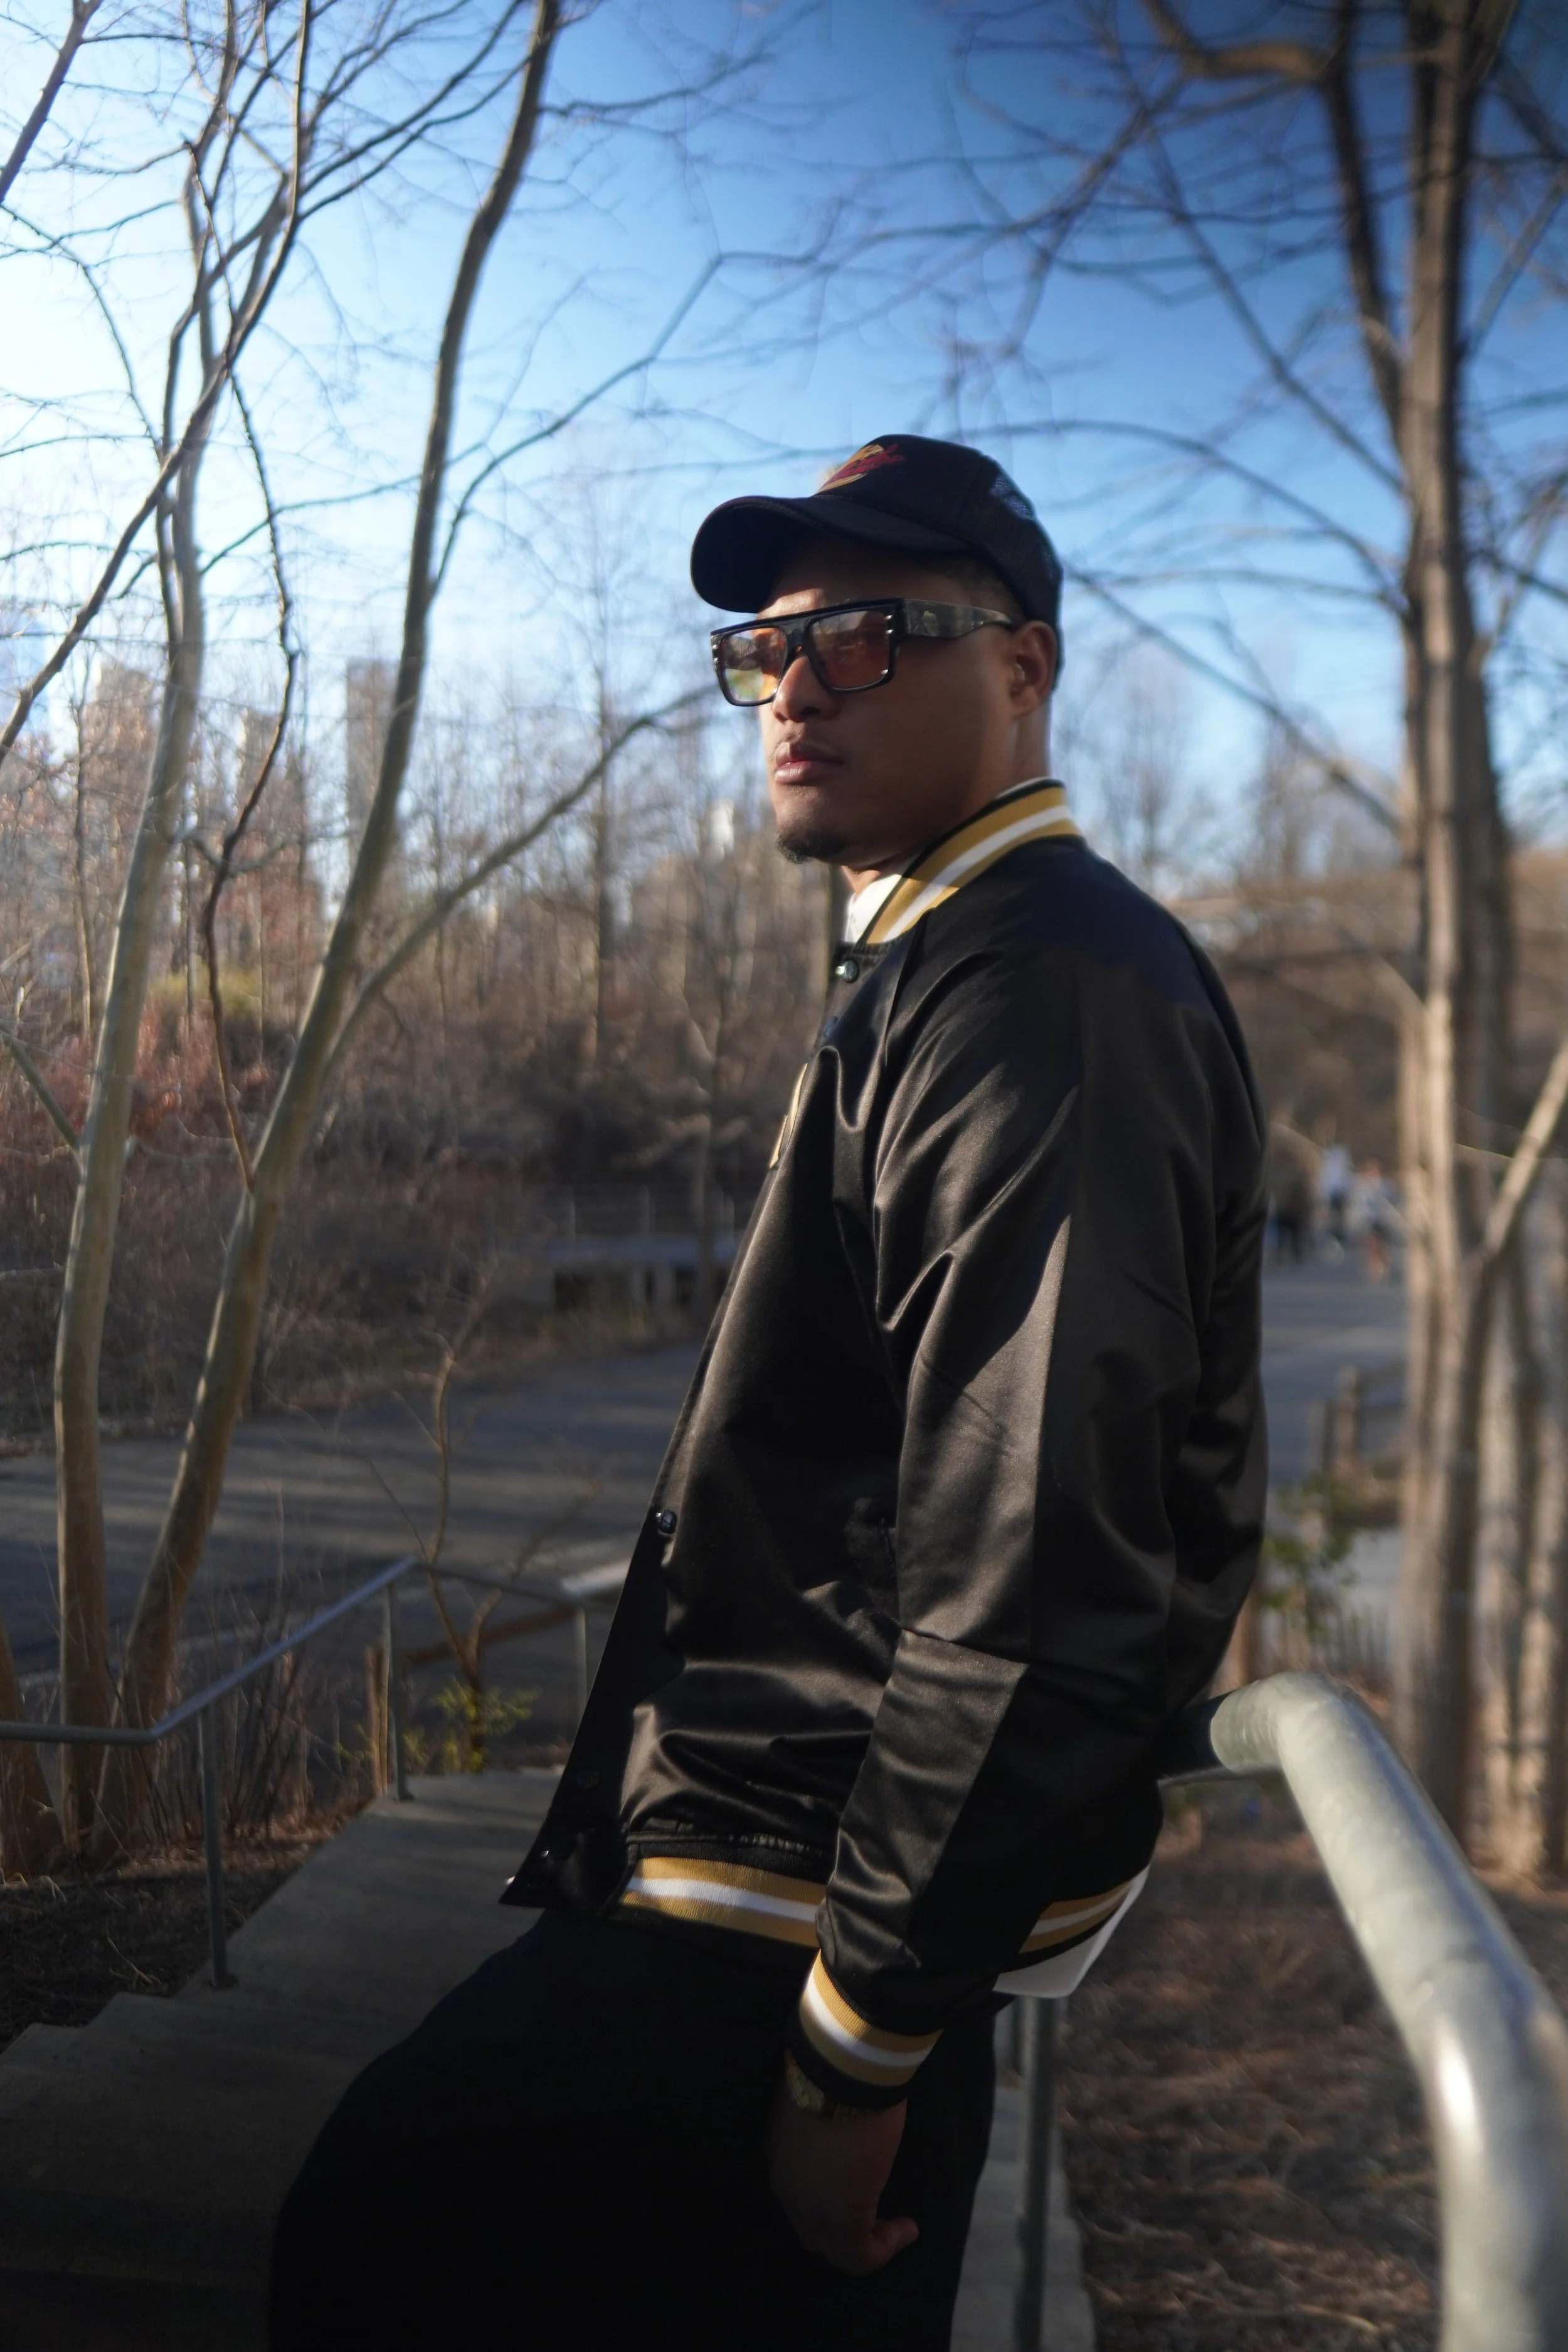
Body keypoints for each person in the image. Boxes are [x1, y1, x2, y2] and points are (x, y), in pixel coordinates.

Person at [270, 433, 1268, 2352]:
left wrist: (857, 2045)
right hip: (787, 1876)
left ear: (1026, 667)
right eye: (770, 645)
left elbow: (1037, 1572)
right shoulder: (953, 966)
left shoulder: (1041, 992)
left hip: (805, 1915)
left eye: (875, 632)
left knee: (384, 2225)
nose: (798, 681)